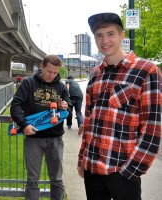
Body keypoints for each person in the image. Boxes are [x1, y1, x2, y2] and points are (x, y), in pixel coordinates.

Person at [77, 12, 162, 200]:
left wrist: (131, 170)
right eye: (99, 35)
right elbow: (89, 122)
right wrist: (82, 158)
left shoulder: (146, 71)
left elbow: (152, 128)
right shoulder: (95, 74)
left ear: (122, 35)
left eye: (110, 34)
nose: (104, 40)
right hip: (92, 169)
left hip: (122, 171)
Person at [11, 54, 70, 200]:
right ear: (41, 67)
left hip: (55, 138)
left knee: (56, 179)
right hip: (33, 138)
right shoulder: (28, 83)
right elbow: (15, 105)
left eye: (55, 73)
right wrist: (24, 125)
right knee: (32, 180)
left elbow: (68, 109)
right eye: (49, 71)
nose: (52, 75)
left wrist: (65, 106)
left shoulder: (61, 86)